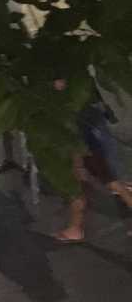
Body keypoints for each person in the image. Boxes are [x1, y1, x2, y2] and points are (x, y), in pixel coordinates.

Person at [56, 82, 132, 242]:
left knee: (92, 181)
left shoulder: (71, 101)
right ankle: (75, 227)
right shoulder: (80, 95)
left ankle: (75, 227)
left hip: (82, 137)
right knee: (107, 180)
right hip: (86, 133)